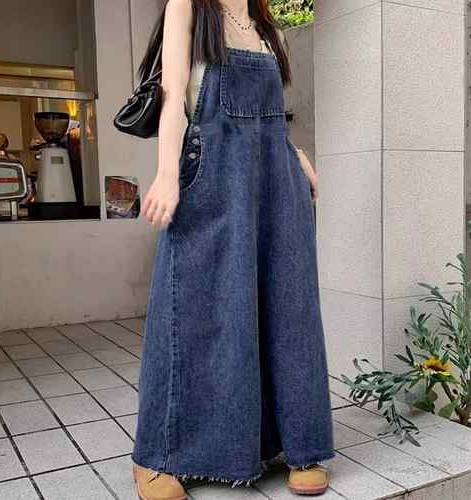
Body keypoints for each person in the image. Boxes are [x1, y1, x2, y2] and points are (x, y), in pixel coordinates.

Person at [131, 0, 335, 498]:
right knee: (193, 310)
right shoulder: (187, 7)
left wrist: (297, 155)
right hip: (211, 176)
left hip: (275, 182)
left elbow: (273, 122)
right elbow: (173, 97)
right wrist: (167, 173)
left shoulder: (268, 28)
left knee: (288, 311)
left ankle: (297, 445)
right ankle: (158, 455)